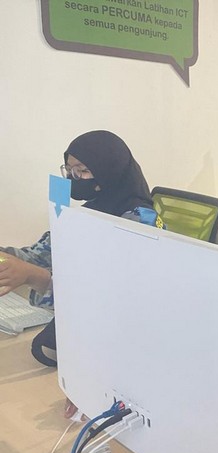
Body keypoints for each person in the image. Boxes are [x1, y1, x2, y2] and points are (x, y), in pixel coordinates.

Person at [0, 130, 162, 379]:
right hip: (90, 311)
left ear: (109, 169)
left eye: (83, 170)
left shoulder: (138, 223)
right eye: (69, 170)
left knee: (56, 354)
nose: (74, 178)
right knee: (46, 349)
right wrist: (7, 258)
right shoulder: (89, 212)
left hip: (128, 322)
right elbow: (40, 254)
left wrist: (34, 277)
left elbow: (107, 296)